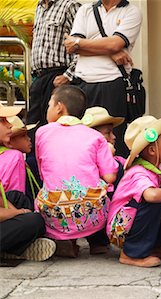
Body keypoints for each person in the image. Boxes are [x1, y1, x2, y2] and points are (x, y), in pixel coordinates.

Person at [35, 85, 118, 257]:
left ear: (59, 107)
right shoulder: (95, 136)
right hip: (91, 214)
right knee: (101, 188)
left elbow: (44, 172)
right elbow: (110, 176)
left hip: (53, 210)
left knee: (51, 189)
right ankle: (98, 243)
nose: (48, 109)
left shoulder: (42, 133)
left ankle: (65, 240)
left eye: (50, 105)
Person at [65, 0, 142, 157]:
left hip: (113, 84)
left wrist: (80, 43)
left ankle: (115, 179)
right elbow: (72, 48)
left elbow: (115, 43)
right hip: (83, 84)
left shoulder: (132, 12)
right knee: (81, 141)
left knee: (114, 142)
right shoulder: (85, 10)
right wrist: (111, 51)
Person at [107, 115, 161, 268]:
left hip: (130, 222)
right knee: (152, 201)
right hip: (120, 228)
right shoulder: (139, 173)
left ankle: (155, 245)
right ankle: (131, 253)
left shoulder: (155, 170)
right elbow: (151, 194)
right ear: (152, 150)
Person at [0, 103, 55, 262]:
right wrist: (20, 213)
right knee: (34, 221)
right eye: (3, 121)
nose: (9, 124)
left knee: (18, 199)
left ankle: (12, 248)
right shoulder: (14, 156)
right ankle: (16, 247)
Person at [28, 0, 81, 127]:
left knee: (55, 126)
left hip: (59, 75)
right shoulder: (39, 7)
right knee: (33, 127)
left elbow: (82, 43)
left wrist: (68, 75)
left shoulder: (70, 6)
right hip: (39, 77)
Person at [4, 117, 40, 201]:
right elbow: (17, 196)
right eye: (23, 136)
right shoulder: (16, 157)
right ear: (9, 142)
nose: (29, 139)